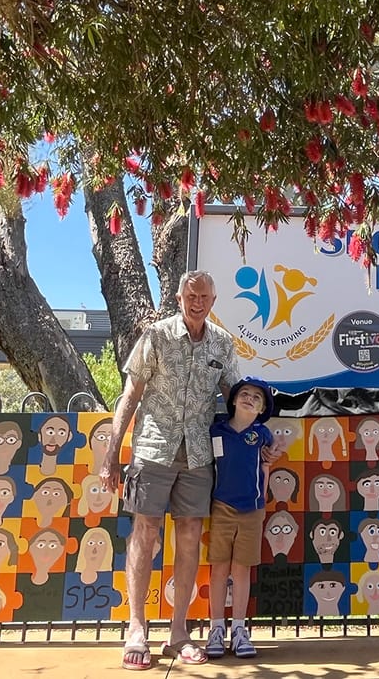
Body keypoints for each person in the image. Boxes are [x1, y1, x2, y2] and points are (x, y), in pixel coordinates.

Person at [101, 270, 241, 671]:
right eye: (191, 295)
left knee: (190, 535)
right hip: (152, 450)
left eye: (205, 297)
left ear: (214, 301)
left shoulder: (223, 343)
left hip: (198, 455)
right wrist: (112, 455)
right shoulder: (156, 336)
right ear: (180, 298)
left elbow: (236, 398)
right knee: (144, 532)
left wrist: (258, 439)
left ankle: (178, 632)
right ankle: (136, 627)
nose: (198, 302)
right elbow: (130, 395)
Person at [204, 376, 275, 660]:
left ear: (261, 409)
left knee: (242, 570)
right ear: (233, 400)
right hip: (221, 506)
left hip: (252, 509)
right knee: (219, 568)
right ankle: (216, 628)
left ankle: (240, 629)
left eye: (257, 398)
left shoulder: (263, 435)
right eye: (244, 394)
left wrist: (263, 502)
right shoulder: (216, 431)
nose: (249, 399)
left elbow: (267, 466)